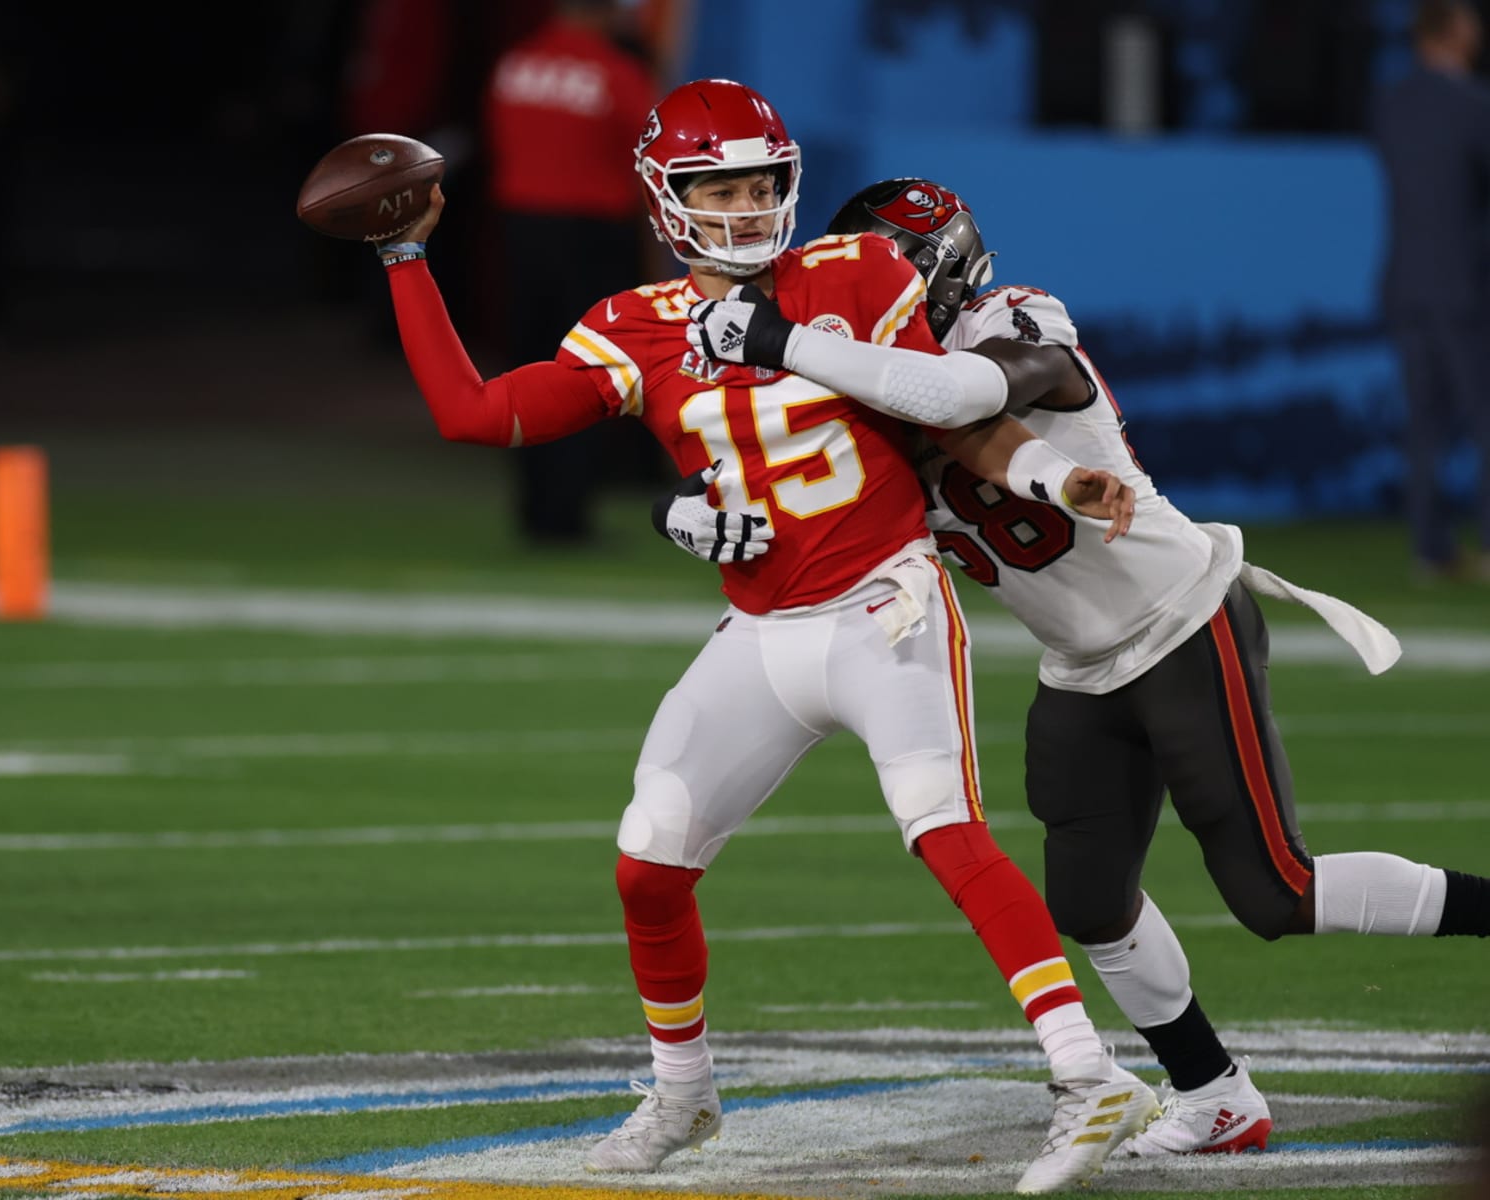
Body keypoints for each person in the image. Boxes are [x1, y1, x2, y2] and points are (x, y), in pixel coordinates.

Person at [366, 77, 1154, 1193]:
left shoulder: (856, 273)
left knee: (945, 829)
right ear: (664, 197)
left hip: (882, 600)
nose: (741, 206)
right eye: (716, 186)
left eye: (760, 182)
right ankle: (683, 1094)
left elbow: (955, 415)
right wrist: (406, 263)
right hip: (762, 629)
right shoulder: (629, 329)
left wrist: (1051, 470)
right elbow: (476, 414)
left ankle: (1089, 1074)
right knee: (649, 859)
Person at [666, 175, 1490, 1155]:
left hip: (1181, 619)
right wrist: (687, 512)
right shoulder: (866, 398)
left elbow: (978, 393)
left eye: (874, 276)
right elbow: (742, 478)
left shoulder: (1005, 322)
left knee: (1275, 892)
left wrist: (791, 345)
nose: (853, 299)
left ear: (929, 272)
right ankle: (1215, 1092)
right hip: (1079, 665)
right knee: (1089, 900)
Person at [483, 0, 659, 545]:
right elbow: (657, 156)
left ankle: (533, 507)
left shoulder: (515, 64)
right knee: (587, 372)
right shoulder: (616, 72)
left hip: (519, 232)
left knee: (527, 368)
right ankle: (567, 514)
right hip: (590, 235)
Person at [1369, 0, 1490, 582]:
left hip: (1407, 282)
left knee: (1424, 424)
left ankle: (1431, 549)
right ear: (1453, 32)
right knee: (1482, 415)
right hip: (1464, 284)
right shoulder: (1470, 104)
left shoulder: (1391, 104)